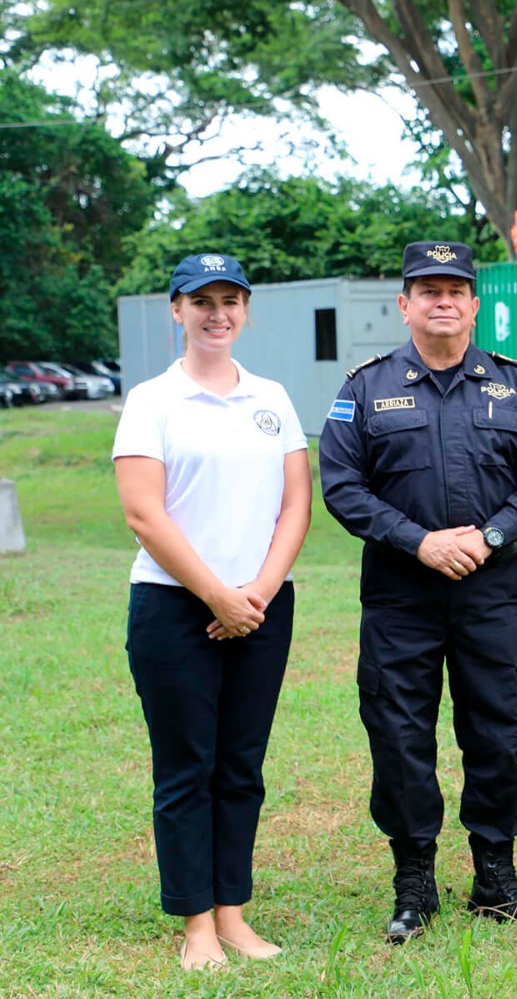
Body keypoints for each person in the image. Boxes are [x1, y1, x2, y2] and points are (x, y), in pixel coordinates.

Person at [319, 241, 517, 942]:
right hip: (401, 596)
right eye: (426, 290)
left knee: (495, 732)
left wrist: (487, 536)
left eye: (455, 288)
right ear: (404, 304)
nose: (442, 300)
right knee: (399, 738)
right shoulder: (365, 388)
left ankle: (496, 878)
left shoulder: (513, 385)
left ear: (475, 303)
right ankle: (415, 884)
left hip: (490, 593)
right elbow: (342, 486)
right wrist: (419, 541)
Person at [113, 253, 311, 970]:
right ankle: (196, 924)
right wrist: (217, 595)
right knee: (186, 767)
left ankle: (233, 914)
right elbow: (144, 513)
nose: (217, 313)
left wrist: (255, 592)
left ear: (246, 311)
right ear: (176, 310)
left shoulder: (272, 397)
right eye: (202, 301)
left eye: (231, 300)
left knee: (241, 766)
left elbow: (296, 503)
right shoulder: (152, 401)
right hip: (174, 609)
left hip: (262, 608)